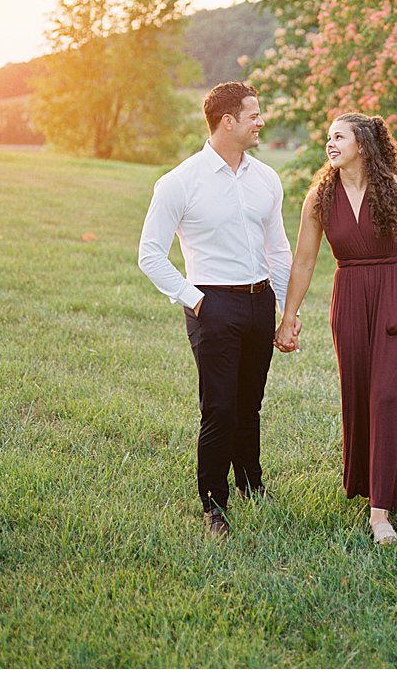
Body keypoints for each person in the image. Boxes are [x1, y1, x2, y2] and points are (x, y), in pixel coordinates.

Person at [138, 81, 295, 538]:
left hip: (260, 300)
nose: (261, 122)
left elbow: (278, 249)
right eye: (254, 115)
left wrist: (283, 307)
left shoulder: (266, 177)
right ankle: (214, 506)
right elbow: (150, 254)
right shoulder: (179, 182)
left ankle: (251, 483)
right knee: (220, 408)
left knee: (250, 404)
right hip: (212, 303)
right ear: (228, 121)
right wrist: (197, 300)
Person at [274, 112, 397, 545]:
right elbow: (305, 261)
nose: (330, 143)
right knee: (362, 394)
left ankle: (379, 513)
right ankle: (381, 487)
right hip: (349, 299)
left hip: (391, 296)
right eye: (328, 137)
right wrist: (289, 315)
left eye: (338, 136)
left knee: (389, 395)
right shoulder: (319, 198)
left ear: (362, 144)